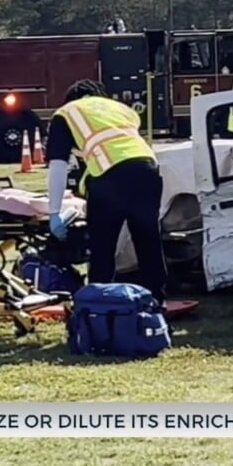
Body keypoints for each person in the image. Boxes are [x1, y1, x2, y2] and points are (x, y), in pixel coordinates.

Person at [46, 79, 168, 306]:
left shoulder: (67, 113)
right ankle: (157, 303)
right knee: (148, 241)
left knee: (103, 247)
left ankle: (98, 304)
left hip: (111, 177)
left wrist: (53, 212)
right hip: (148, 169)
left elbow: (58, 165)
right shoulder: (121, 109)